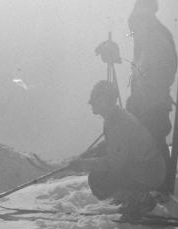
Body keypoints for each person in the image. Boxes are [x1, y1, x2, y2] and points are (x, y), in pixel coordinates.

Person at [69, 80, 166, 219]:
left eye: (95, 99)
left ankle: (140, 199)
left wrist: (85, 164)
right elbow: (114, 145)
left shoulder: (118, 124)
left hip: (149, 171)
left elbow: (115, 163)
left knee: (98, 180)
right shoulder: (116, 117)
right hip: (150, 167)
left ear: (103, 101)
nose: (91, 103)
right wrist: (89, 154)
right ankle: (135, 196)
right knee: (104, 175)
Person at [125, 0, 177, 192]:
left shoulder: (153, 35)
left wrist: (149, 92)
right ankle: (157, 186)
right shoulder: (147, 34)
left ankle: (162, 187)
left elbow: (163, 69)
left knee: (153, 140)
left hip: (152, 101)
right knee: (150, 141)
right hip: (147, 99)